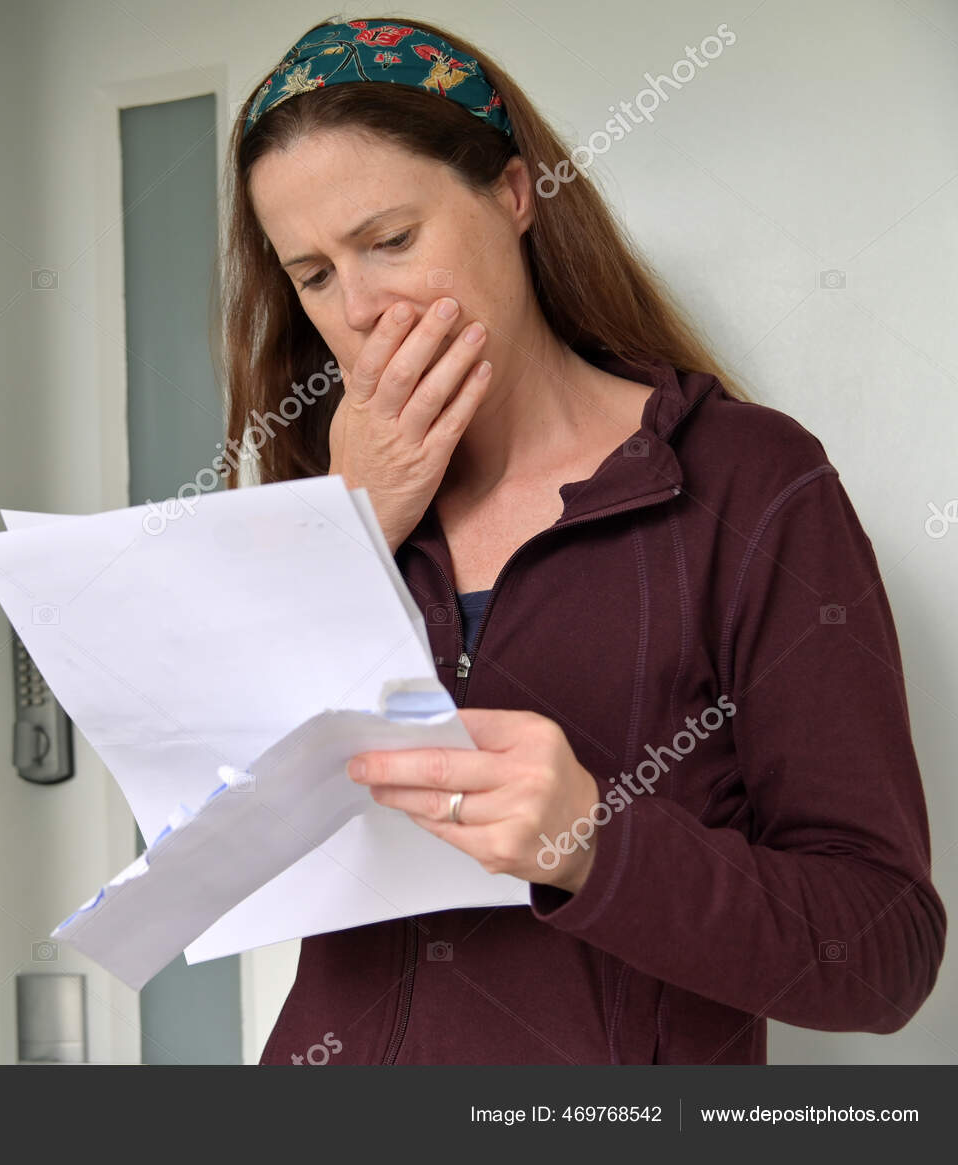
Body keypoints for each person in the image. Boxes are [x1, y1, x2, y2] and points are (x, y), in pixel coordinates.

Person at [219, 16, 945, 1064]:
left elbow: (884, 955)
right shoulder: (311, 500)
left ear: (514, 194)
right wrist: (346, 526)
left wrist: (592, 843)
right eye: (315, 274)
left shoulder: (751, 483)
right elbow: (218, 848)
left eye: (389, 240)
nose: (364, 309)